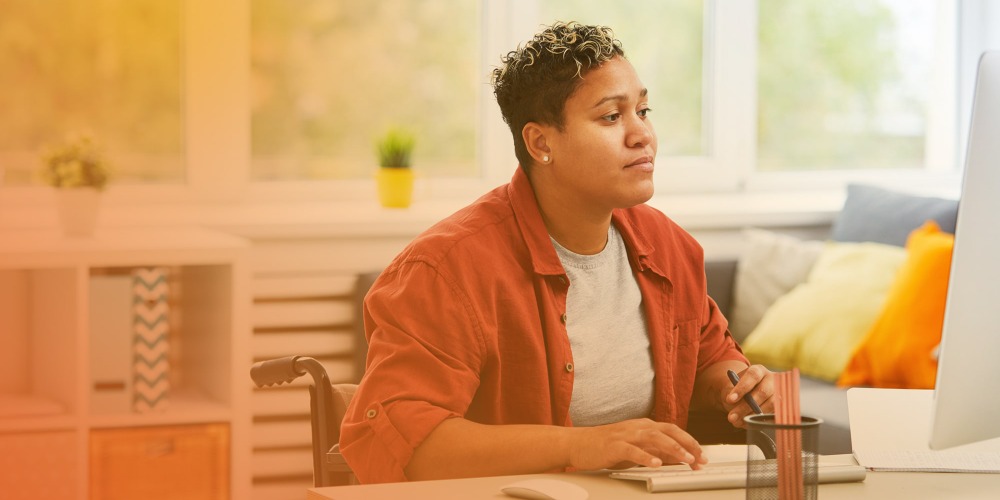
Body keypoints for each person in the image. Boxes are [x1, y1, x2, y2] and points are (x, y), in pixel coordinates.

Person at [340, 21, 774, 484]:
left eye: (643, 111)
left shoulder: (668, 246)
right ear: (540, 143)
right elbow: (412, 445)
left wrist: (740, 387)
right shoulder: (443, 270)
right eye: (611, 117)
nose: (642, 134)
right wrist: (581, 446)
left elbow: (710, 357)